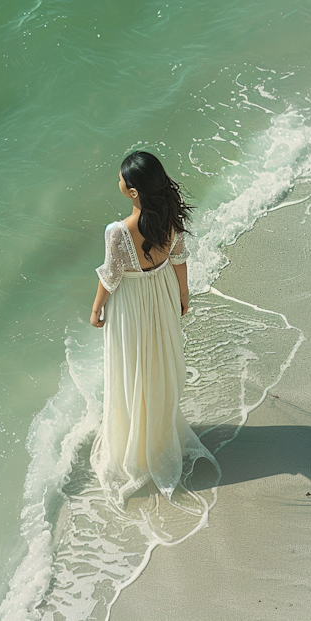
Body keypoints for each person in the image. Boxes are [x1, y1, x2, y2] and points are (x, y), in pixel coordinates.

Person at [89, 151, 219, 506]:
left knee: (132, 368)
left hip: (131, 304)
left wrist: (97, 307)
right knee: (158, 362)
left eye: (121, 179)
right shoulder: (171, 220)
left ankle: (136, 441)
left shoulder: (117, 232)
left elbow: (112, 277)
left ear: (133, 192)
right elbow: (178, 259)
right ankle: (159, 432)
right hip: (161, 294)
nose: (118, 181)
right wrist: (183, 293)